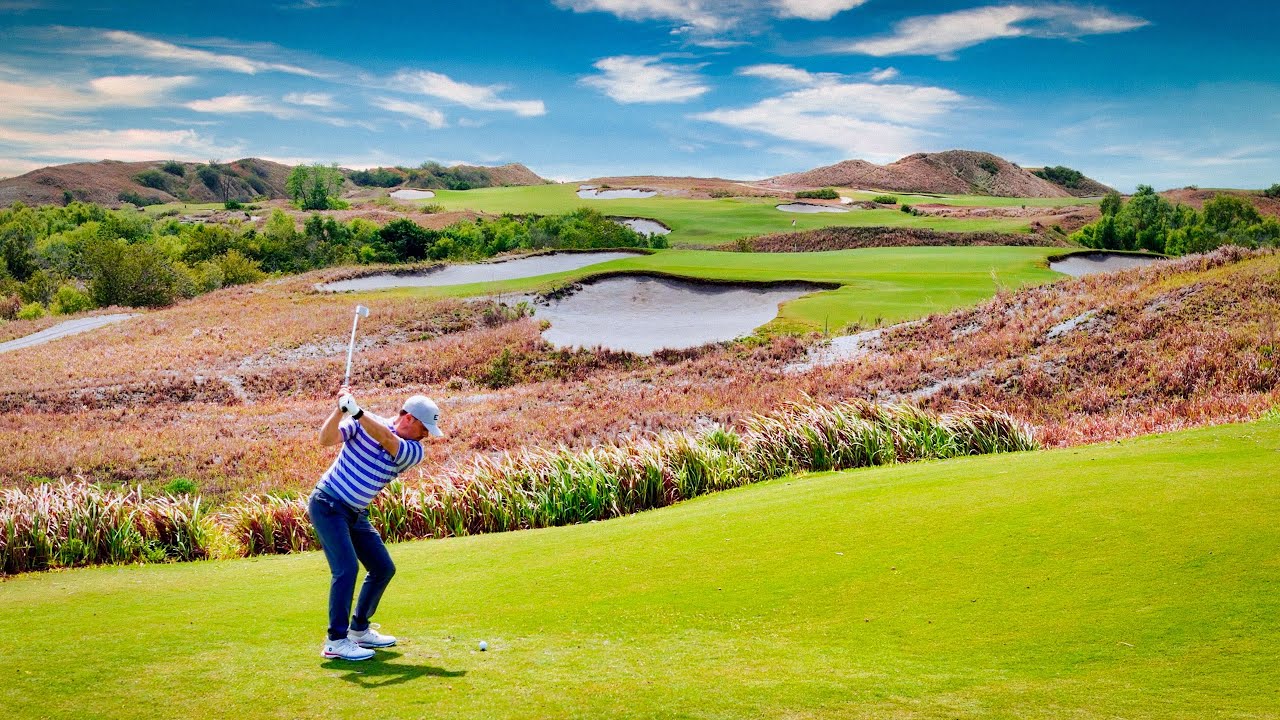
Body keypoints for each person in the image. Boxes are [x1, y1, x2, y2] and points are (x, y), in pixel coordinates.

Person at [309, 387, 443, 661]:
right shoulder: (362, 423)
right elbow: (326, 439)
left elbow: (386, 439)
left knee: (383, 568)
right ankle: (336, 641)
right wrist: (339, 410)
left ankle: (359, 629)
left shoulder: (414, 451)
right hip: (328, 504)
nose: (426, 435)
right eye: (424, 428)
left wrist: (357, 411)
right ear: (409, 418)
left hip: (355, 513)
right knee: (346, 569)